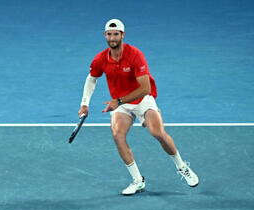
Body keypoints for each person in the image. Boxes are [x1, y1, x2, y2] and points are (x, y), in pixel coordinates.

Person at [79, 19, 199, 195]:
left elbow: (145, 88)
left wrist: (118, 101)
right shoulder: (100, 59)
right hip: (121, 104)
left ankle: (182, 167)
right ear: (105, 35)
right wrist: (84, 103)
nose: (112, 38)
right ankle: (137, 180)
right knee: (117, 135)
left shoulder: (135, 55)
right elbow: (92, 79)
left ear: (122, 35)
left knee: (157, 132)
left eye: (116, 34)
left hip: (142, 99)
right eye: (109, 34)